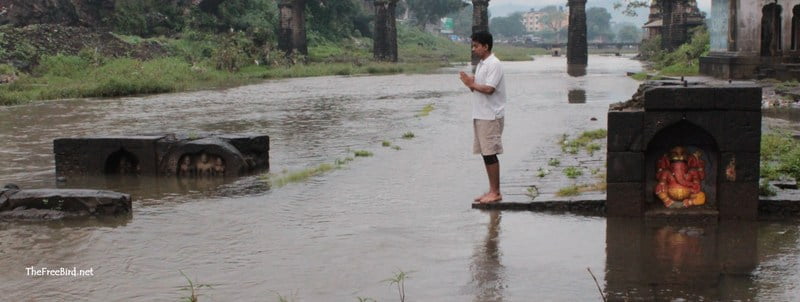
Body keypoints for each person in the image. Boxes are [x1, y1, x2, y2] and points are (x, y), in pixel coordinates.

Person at [459, 31, 507, 204]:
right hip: (480, 114)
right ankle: (492, 190)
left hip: (491, 115)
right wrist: (470, 84)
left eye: (476, 46)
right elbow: (479, 88)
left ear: (486, 46)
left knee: (490, 153)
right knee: (485, 154)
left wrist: (472, 84)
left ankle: (496, 192)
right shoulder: (482, 64)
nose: (474, 49)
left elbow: (489, 89)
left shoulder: (494, 64)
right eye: (473, 45)